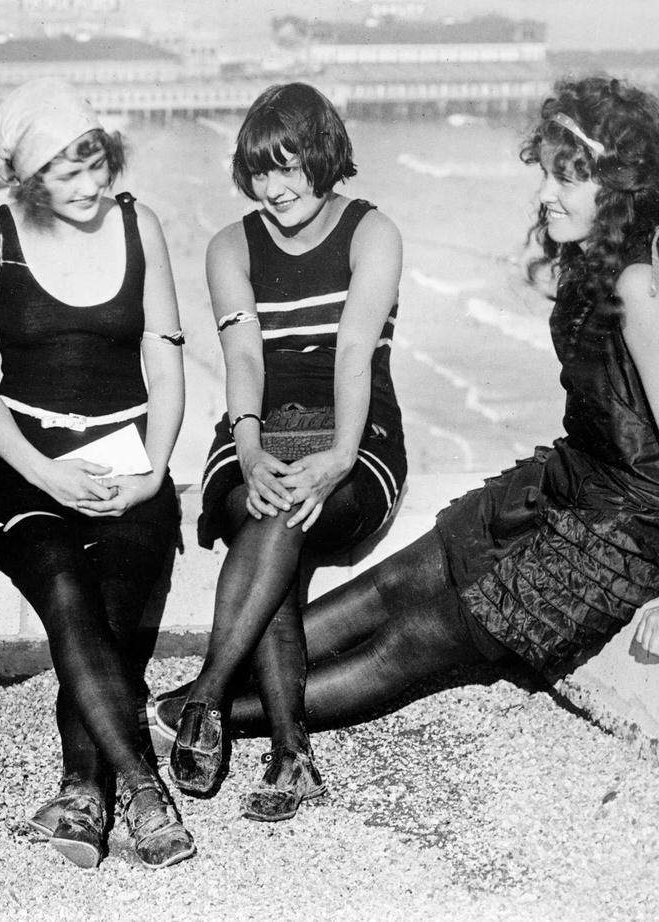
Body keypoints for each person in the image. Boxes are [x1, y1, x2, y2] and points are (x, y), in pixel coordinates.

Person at [154, 77, 659, 754]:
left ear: (623, 187)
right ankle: (206, 695)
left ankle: (214, 711)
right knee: (396, 583)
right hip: (571, 485)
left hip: (625, 533)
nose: (546, 193)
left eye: (569, 179)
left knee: (414, 640)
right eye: (549, 174)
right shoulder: (598, 265)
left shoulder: (642, 288)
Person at [0, 79, 193, 870]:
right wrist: (47, 477)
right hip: (21, 471)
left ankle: (81, 791)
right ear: (28, 181)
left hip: (126, 463)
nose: (90, 186)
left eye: (95, 163)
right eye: (65, 174)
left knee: (121, 598)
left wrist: (155, 472)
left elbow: (163, 356)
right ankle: (143, 786)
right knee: (64, 583)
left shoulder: (140, 224)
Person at [166, 83, 407, 823]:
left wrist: (336, 456)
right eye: (260, 171)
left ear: (324, 156)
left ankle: (206, 696)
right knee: (267, 516)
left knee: (280, 523)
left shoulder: (371, 232)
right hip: (256, 429)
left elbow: (354, 353)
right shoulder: (230, 246)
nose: (275, 188)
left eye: (290, 166)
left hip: (355, 428)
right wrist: (246, 447)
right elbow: (243, 358)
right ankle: (289, 754)